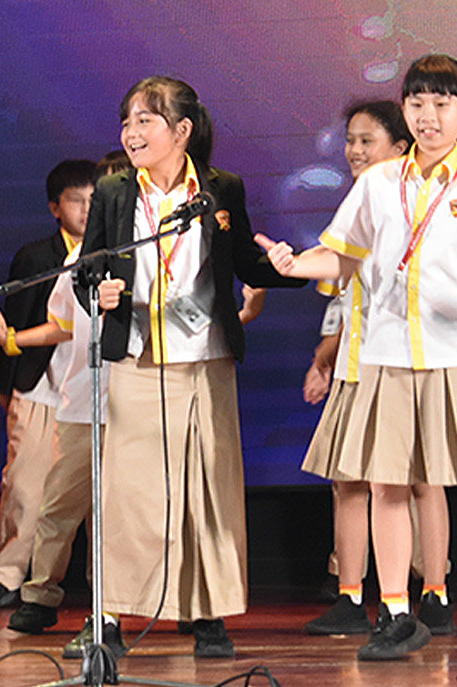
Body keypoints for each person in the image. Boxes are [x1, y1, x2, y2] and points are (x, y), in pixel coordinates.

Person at [259, 54, 457, 661]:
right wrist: (297, 265)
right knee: (387, 484)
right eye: (418, 104)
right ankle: (397, 613)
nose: (429, 117)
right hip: (387, 354)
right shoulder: (376, 183)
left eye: (442, 105)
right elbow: (342, 255)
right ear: (406, 110)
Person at [71, 75, 305, 660]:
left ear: (182, 130)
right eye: (127, 122)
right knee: (126, 497)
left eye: (145, 120)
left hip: (205, 359)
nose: (131, 133)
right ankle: (108, 617)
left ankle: (207, 615)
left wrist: (285, 264)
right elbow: (87, 268)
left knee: (207, 488)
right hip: (135, 357)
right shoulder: (115, 190)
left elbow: (245, 261)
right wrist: (97, 291)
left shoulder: (222, 189)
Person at [300, 99, 452, 640]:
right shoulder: (358, 200)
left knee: (419, 478)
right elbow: (341, 287)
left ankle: (433, 593)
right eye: (351, 140)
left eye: (368, 140)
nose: (355, 151)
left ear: (400, 146)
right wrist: (326, 354)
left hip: (406, 359)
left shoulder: (416, 199)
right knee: (348, 481)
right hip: (354, 361)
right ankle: (350, 594)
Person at [0, 159, 99, 610]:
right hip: (41, 388)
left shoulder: (118, 252)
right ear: (55, 207)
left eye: (93, 199)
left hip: (92, 391)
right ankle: (7, 574)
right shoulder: (37, 257)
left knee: (94, 494)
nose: (86, 209)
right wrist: (8, 386)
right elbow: (21, 323)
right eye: (75, 200)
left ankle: (100, 586)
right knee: (26, 487)